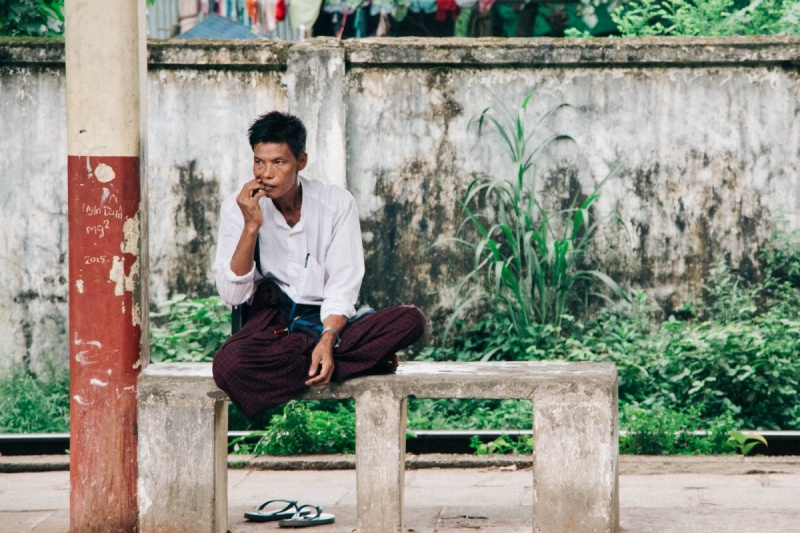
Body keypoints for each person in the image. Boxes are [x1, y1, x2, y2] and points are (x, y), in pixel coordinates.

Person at [212, 111, 426, 419]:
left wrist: (328, 338)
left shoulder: (336, 203)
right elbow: (233, 297)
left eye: (278, 162)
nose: (266, 173)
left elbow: (342, 283)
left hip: (324, 319)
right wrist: (250, 226)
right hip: (274, 323)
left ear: (302, 161)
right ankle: (352, 359)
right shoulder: (238, 208)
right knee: (229, 365)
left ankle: (326, 353)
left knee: (410, 320)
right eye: (259, 161)